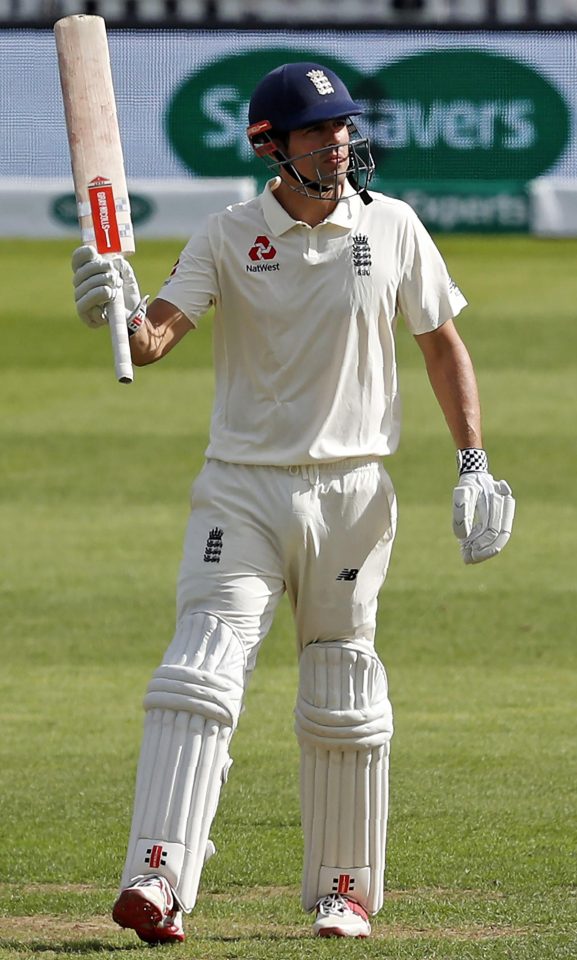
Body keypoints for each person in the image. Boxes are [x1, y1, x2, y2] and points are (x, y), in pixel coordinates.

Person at [70, 62, 515, 945]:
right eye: (316, 131)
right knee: (199, 669)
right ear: (270, 145)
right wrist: (115, 312)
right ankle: (157, 878)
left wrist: (472, 462)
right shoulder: (229, 234)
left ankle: (342, 891)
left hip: (353, 492)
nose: (338, 143)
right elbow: (154, 338)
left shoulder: (391, 227)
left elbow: (440, 345)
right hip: (241, 488)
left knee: (341, 685)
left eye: (343, 127)